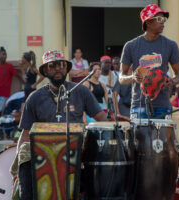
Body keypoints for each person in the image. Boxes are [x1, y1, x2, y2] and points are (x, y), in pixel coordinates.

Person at [14, 50, 108, 199]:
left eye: (61, 65)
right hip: (44, 152)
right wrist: (18, 167)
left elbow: (102, 118)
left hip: (76, 149)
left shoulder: (81, 91)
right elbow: (25, 135)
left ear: (66, 68)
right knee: (25, 152)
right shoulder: (35, 98)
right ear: (45, 70)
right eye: (52, 65)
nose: (58, 68)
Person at [119, 4, 179, 119]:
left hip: (163, 105)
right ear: (148, 22)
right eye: (159, 19)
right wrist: (133, 77)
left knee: (161, 138)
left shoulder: (171, 45)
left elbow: (178, 75)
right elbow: (121, 78)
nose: (163, 22)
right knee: (139, 137)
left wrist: (171, 82)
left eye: (164, 19)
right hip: (139, 104)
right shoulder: (131, 46)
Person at [0, 47, 23, 131]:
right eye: (3, 54)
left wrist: (24, 83)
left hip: (2, 94)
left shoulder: (9, 66)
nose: (5, 56)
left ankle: (0, 129)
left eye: (5, 55)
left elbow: (17, 75)